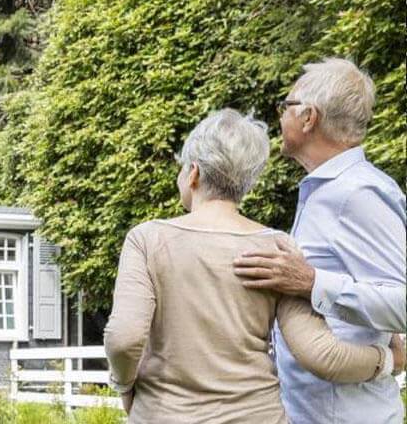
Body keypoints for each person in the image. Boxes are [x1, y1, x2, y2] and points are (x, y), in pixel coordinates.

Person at [104, 109, 401, 423]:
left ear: (193, 173)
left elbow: (124, 339)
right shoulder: (276, 248)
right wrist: (389, 358)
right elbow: (321, 355)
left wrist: (124, 385)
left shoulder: (147, 240)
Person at [233, 58, 406, 423]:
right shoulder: (325, 190)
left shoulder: (357, 193)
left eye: (286, 107)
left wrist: (311, 282)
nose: (280, 118)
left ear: (309, 117)